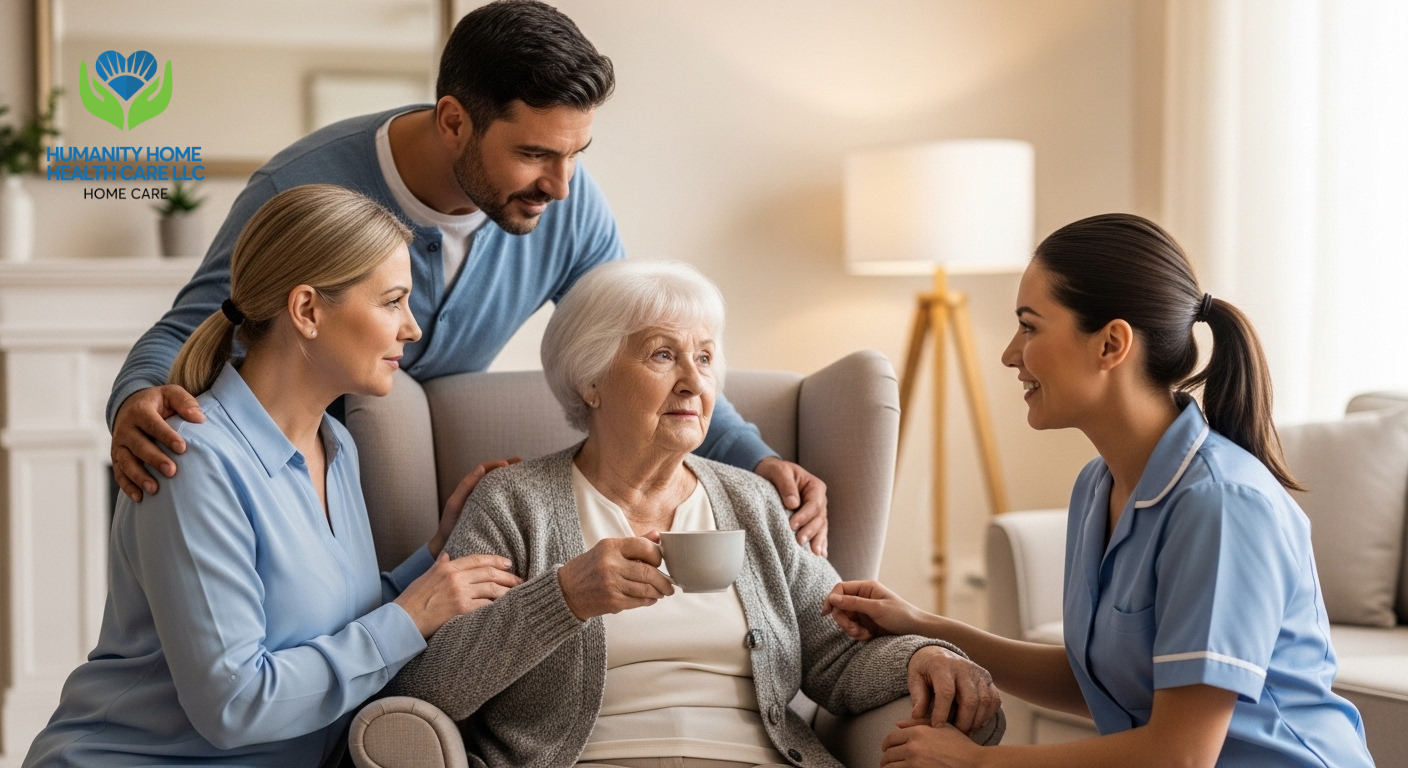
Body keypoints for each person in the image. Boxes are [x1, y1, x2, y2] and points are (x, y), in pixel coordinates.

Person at [105, 0, 830, 554]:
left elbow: (643, 343)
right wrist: (136, 399)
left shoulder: (568, 208)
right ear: (453, 121)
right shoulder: (304, 187)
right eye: (535, 154)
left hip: (406, 494)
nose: (561, 187)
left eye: (576, 154)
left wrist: (758, 459)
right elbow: (192, 327)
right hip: (282, 489)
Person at [386, 260, 1004, 768]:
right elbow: (431, 685)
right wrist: (563, 598)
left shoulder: (751, 500)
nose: (693, 382)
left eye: (705, 358)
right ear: (590, 381)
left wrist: (923, 656)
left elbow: (836, 651)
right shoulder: (514, 504)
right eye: (663, 355)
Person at [822, 214, 1373, 768]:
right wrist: (921, 623)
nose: (1010, 354)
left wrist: (978, 763)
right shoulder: (1098, 485)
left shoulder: (1220, 505)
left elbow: (1180, 757)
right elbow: (1098, 680)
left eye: (1029, 327)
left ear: (1111, 344)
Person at [24, 185, 525, 767]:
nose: (411, 328)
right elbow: (235, 704)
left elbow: (335, 625)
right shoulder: (194, 462)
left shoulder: (335, 445)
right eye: (392, 302)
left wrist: (436, 555)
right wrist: (414, 616)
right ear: (307, 310)